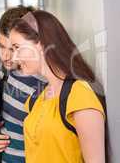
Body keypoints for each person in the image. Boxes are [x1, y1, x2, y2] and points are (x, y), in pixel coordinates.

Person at [9, 10, 107, 163]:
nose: (14, 57)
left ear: (41, 44)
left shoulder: (79, 95)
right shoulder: (36, 99)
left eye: (17, 47)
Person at [0, 6, 46, 163]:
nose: (5, 56)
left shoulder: (46, 85)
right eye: (1, 46)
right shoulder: (1, 76)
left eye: (13, 49)